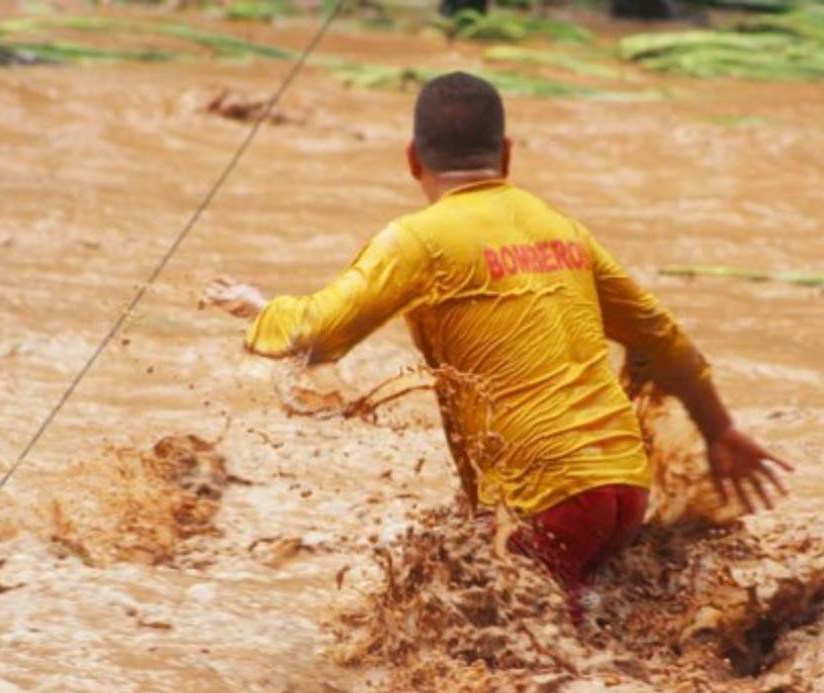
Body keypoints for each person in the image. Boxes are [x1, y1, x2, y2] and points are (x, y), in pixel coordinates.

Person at [205, 72, 791, 622]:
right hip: (622, 487)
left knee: (524, 660)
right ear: (506, 154)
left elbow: (316, 334)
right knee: (559, 625)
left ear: (413, 159)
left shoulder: (417, 240)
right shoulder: (560, 227)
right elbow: (662, 336)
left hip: (548, 499)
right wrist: (719, 430)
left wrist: (260, 309)